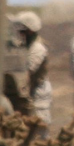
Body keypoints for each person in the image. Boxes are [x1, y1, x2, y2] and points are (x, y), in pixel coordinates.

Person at [14, 11, 52, 139]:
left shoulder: (38, 48)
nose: (20, 34)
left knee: (41, 123)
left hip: (39, 91)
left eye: (22, 31)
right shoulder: (25, 45)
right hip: (31, 89)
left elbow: (28, 70)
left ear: (29, 31)